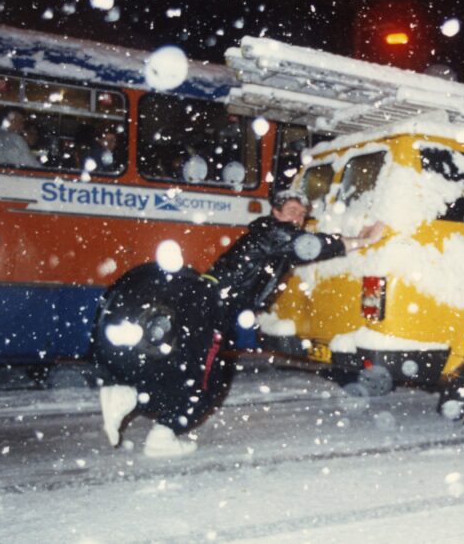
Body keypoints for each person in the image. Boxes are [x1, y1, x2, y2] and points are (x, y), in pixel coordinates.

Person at [96, 190, 385, 458]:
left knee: (187, 371)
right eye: (292, 210)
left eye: (301, 213)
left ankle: (139, 406)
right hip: (212, 306)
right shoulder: (272, 232)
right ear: (276, 212)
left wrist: (352, 240)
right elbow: (312, 245)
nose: (298, 217)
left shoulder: (270, 235)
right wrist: (363, 241)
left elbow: (309, 245)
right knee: (207, 381)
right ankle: (151, 422)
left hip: (206, 302)